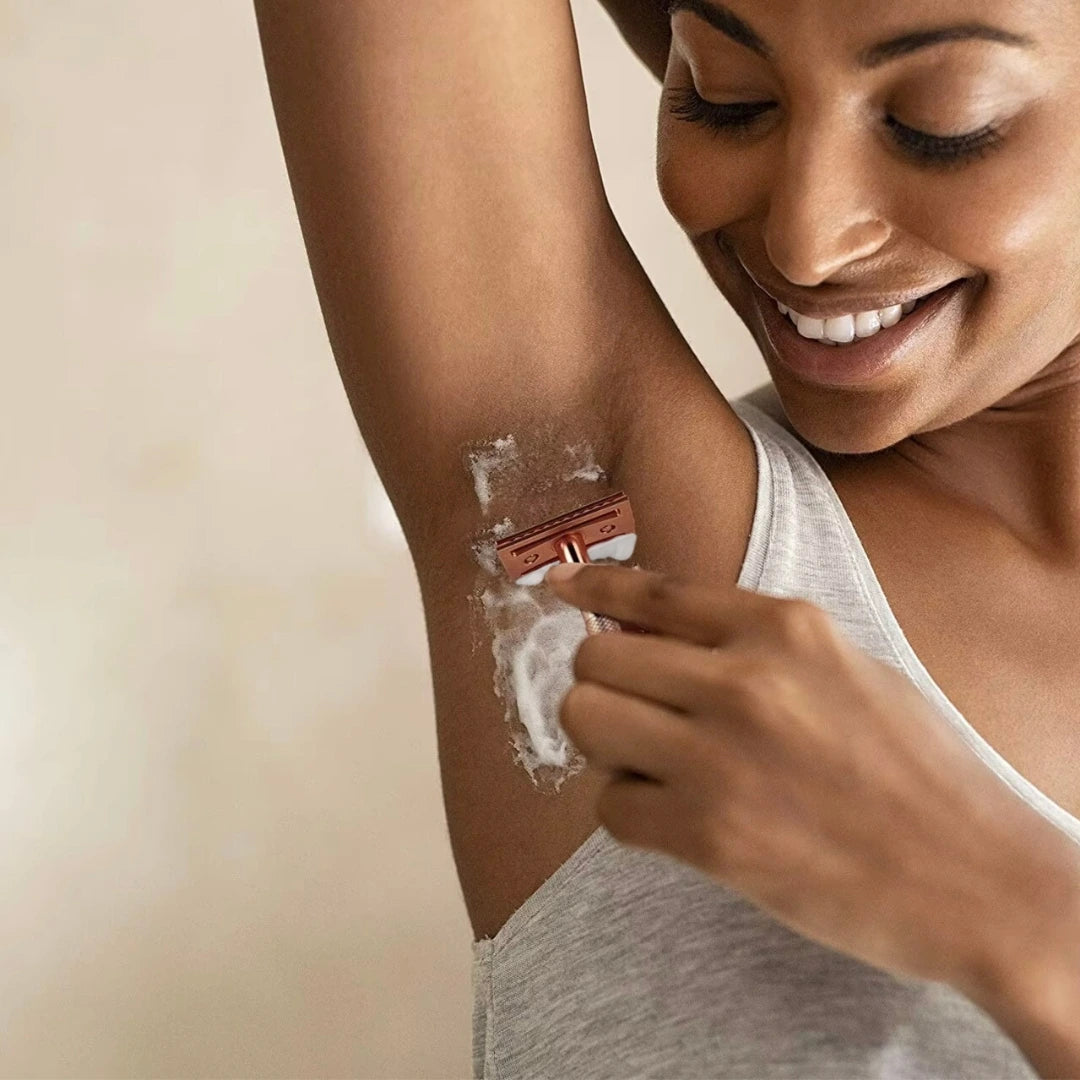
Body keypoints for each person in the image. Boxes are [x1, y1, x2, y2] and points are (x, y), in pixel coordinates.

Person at [252, 2, 1080, 1076]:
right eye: (726, 95)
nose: (805, 239)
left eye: (941, 123)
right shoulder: (601, 520)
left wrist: (1015, 913)